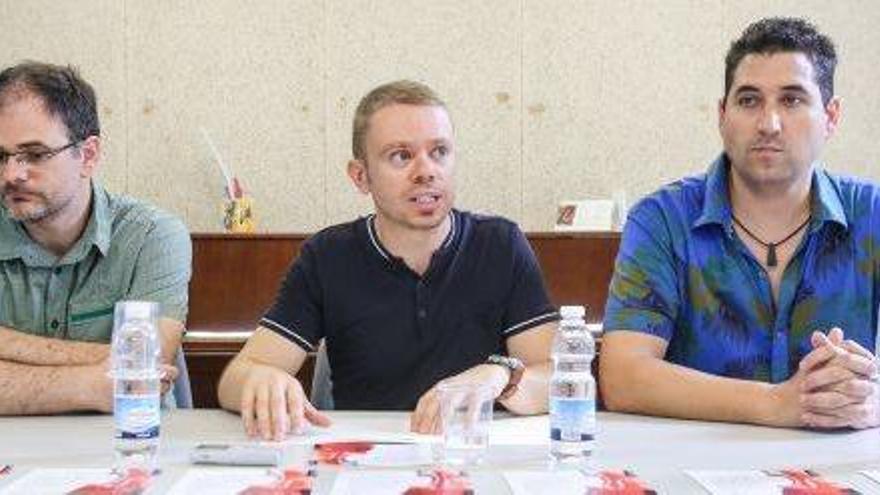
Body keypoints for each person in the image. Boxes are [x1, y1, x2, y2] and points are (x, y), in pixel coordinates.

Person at [218, 80, 557, 440]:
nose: (426, 171)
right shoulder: (328, 256)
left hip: (472, 450)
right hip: (365, 458)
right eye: (401, 156)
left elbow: (556, 377)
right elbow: (232, 382)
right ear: (360, 176)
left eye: (439, 151)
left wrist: (502, 376)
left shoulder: (500, 244)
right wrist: (262, 377)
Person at [600, 17, 880, 430]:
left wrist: (868, 394)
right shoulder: (663, 220)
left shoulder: (871, 214)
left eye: (792, 100)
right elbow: (622, 377)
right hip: (693, 470)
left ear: (831, 116)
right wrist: (776, 404)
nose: (769, 124)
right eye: (749, 100)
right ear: (722, 114)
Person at [0, 61, 192, 415]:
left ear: (87, 155)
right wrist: (90, 383)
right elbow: (131, 366)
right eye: (2, 156)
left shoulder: (152, 236)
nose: (11, 174)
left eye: (35, 154)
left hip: (129, 445)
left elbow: (145, 371)